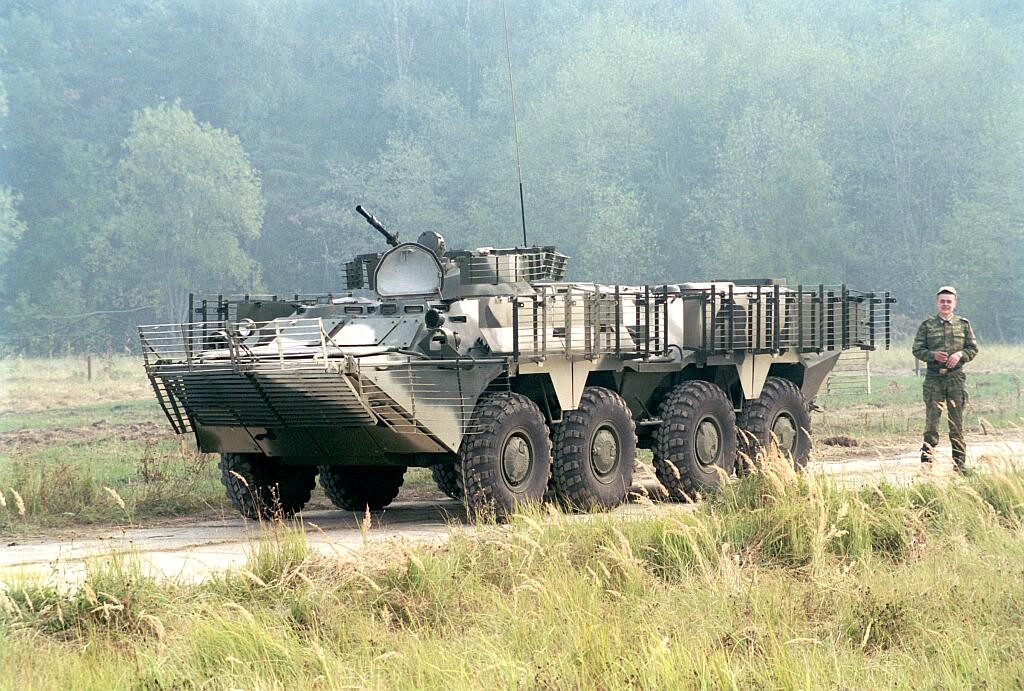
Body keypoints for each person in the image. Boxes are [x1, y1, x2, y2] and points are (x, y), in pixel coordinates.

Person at [911, 286, 979, 471]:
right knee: (932, 423)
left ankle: (959, 465)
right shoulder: (927, 325)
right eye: (942, 301)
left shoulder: (963, 324)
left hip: (955, 378)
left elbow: (972, 348)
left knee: (956, 423)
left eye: (949, 301)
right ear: (937, 303)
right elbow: (917, 349)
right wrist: (932, 355)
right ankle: (927, 465)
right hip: (934, 379)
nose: (946, 304)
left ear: (955, 303)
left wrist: (960, 355)